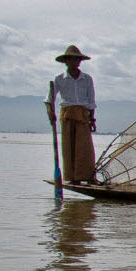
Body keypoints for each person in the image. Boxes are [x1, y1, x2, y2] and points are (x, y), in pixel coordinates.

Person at [46, 45, 97, 184]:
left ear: (80, 62)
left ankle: (87, 176)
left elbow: (91, 101)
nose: (74, 62)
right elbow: (49, 99)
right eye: (71, 59)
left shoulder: (87, 79)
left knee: (85, 147)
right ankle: (72, 178)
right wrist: (50, 113)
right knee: (69, 147)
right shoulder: (59, 79)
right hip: (67, 114)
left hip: (82, 114)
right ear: (66, 61)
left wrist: (92, 119)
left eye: (77, 60)